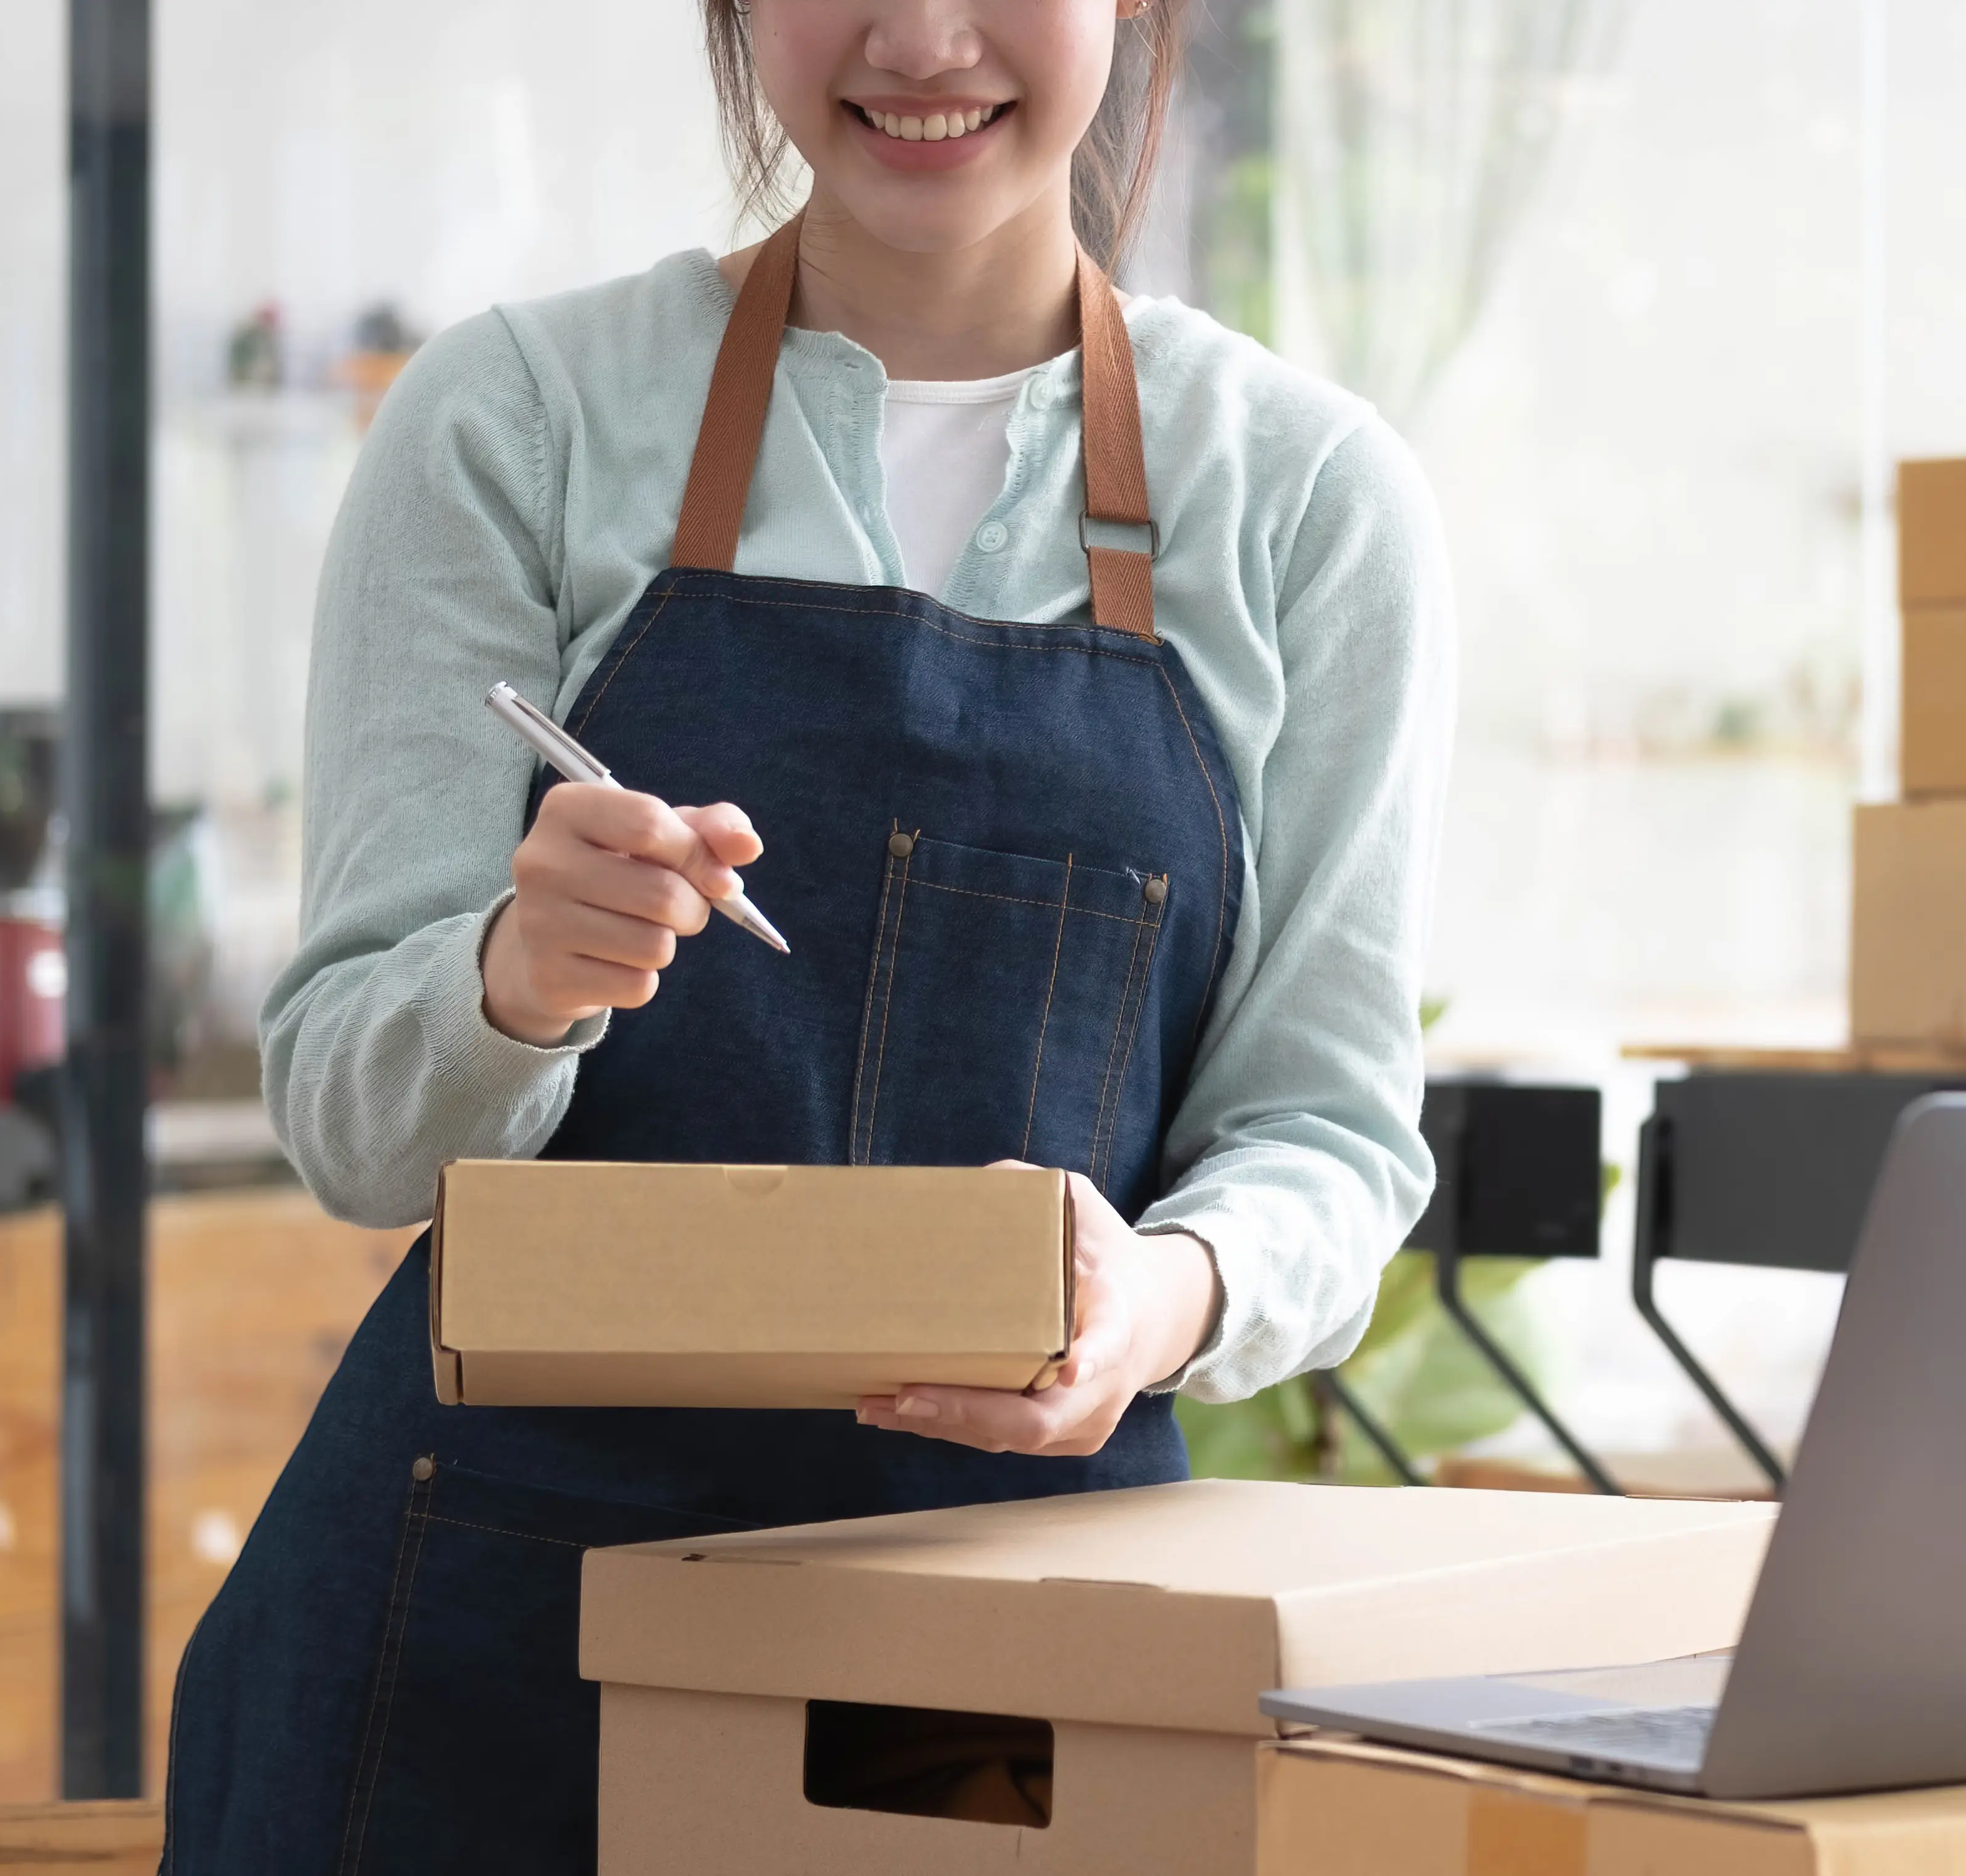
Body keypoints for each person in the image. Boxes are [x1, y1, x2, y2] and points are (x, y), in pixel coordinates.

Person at [158, 0, 1449, 1863]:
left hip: (1002, 1646)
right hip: (482, 1636)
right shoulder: (516, 415)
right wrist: (515, 989)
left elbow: (1325, 1135)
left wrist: (1151, 1301)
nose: (921, 37)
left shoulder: (1309, 503)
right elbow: (357, 1134)